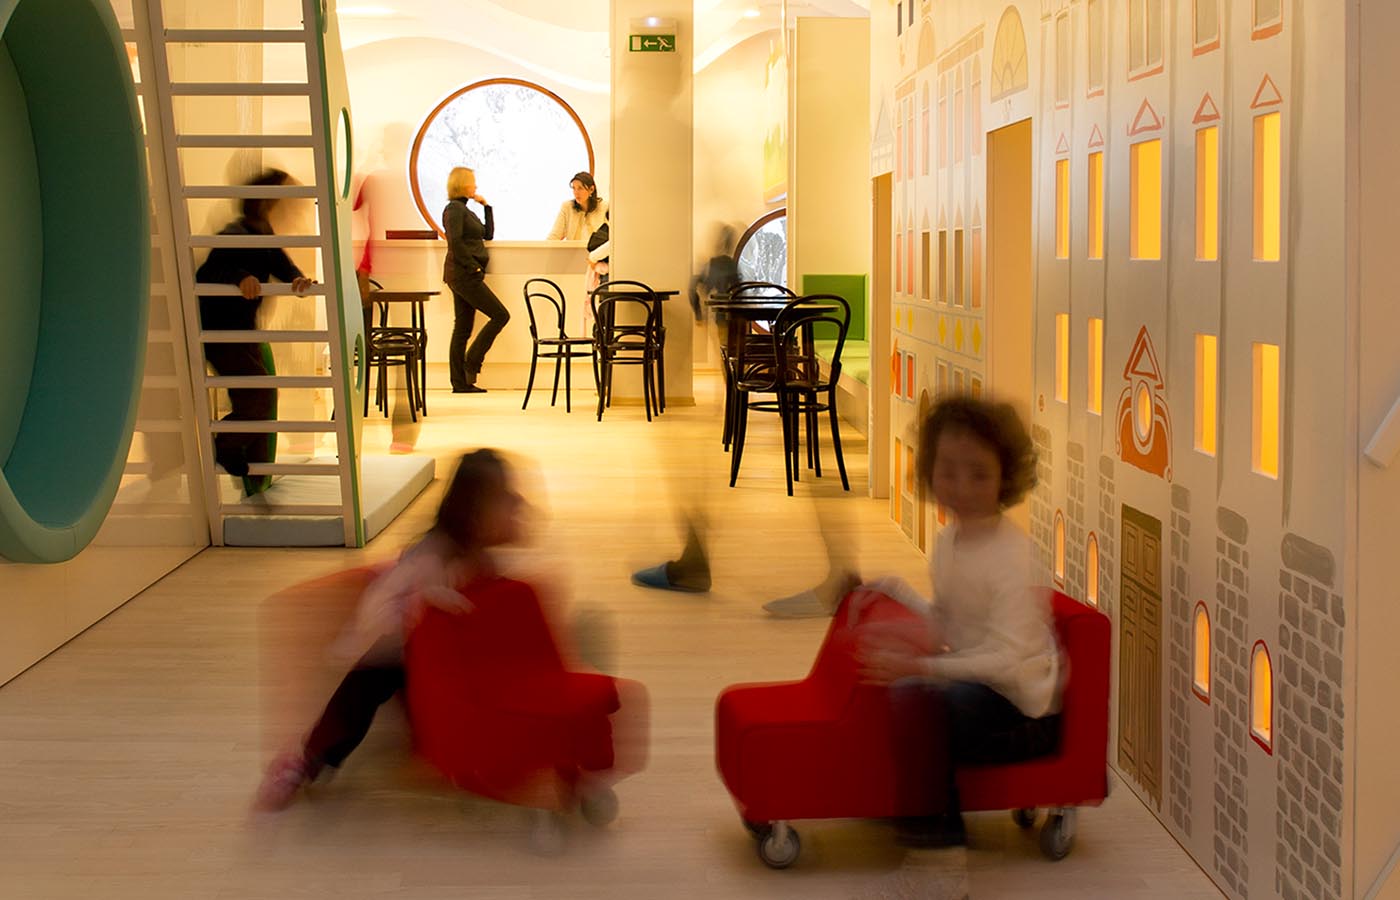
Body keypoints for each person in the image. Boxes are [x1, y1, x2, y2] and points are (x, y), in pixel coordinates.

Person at [255, 449, 526, 811]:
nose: (513, 507)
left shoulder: (478, 553)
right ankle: (305, 761)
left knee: (447, 699)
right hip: (392, 646)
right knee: (363, 694)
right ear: (472, 511)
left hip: (434, 650)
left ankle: (448, 746)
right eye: (500, 500)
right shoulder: (433, 555)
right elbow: (398, 610)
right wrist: (435, 601)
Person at [852, 396, 1063, 848]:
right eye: (948, 471)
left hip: (1023, 710)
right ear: (929, 472)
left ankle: (938, 836)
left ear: (1006, 476)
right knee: (903, 692)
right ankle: (910, 803)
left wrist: (923, 668)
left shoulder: (1013, 556)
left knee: (929, 701)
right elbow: (949, 626)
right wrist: (895, 597)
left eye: (979, 474)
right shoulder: (949, 541)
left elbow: (1007, 662)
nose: (962, 487)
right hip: (979, 688)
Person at [196, 168, 314, 496]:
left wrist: (298, 278)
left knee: (260, 396)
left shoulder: (263, 232)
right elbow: (212, 270)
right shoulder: (235, 233)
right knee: (258, 397)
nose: (295, 212)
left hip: (241, 330)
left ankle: (250, 469)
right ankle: (226, 447)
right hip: (222, 331)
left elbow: (282, 264)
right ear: (267, 202)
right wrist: (241, 277)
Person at [443, 167, 510, 393]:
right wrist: (473, 267)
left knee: (462, 328)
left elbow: (487, 233)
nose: (476, 187)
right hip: (464, 275)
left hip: (464, 274)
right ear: (462, 184)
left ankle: (460, 382)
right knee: (501, 315)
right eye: (473, 183)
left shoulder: (465, 210)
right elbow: (455, 243)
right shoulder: (453, 209)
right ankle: (471, 362)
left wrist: (486, 207)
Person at [547, 172, 608, 241]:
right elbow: (554, 236)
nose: (576, 192)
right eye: (574, 188)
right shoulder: (567, 207)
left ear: (591, 189)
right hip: (572, 251)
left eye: (580, 188)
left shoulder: (604, 207)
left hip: (598, 251)